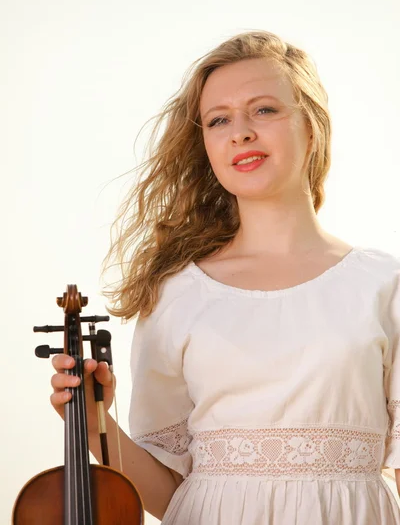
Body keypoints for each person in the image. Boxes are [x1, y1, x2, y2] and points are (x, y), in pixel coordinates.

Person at [50, 30, 400, 524]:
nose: (240, 132)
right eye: (219, 120)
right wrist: (93, 425)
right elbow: (170, 494)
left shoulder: (384, 284)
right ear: (208, 147)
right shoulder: (176, 294)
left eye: (264, 110)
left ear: (312, 127)